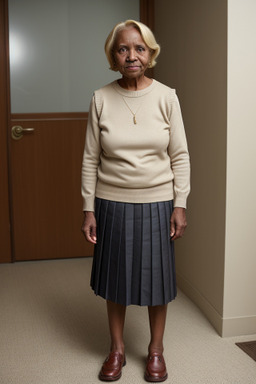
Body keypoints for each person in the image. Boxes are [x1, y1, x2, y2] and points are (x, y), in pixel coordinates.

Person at [81, 19, 190, 382]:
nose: (132, 55)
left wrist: (180, 203)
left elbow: (180, 156)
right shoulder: (100, 98)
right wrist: (88, 208)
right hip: (111, 202)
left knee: (156, 282)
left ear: (150, 54)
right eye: (124, 49)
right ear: (114, 56)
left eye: (139, 48)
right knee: (115, 281)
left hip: (159, 202)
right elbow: (90, 159)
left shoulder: (166, 97)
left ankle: (156, 350)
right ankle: (117, 349)